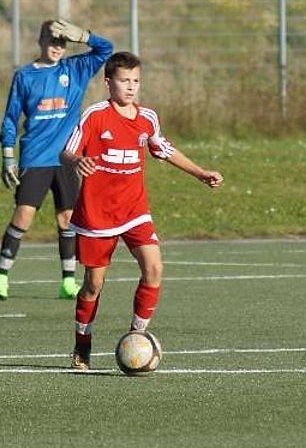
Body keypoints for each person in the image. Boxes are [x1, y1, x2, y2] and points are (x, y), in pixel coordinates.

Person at [60, 51, 224, 370]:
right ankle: (82, 342)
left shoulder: (147, 118)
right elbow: (66, 152)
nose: (131, 86)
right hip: (97, 215)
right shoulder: (95, 116)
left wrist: (200, 173)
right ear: (108, 83)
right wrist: (77, 160)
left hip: (135, 209)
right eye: (124, 80)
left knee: (154, 268)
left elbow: (164, 149)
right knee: (93, 285)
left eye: (136, 80)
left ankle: (137, 336)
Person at [0, 19, 113, 300]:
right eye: (52, 40)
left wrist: (83, 36)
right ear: (40, 41)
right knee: (24, 214)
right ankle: (0, 277)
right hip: (35, 157)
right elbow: (10, 118)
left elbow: (106, 49)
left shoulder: (75, 69)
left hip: (67, 159)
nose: (57, 47)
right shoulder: (24, 76)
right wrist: (8, 155)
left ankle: (67, 282)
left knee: (67, 219)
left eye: (62, 41)